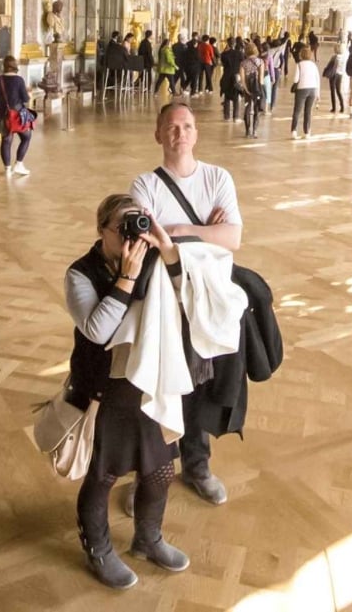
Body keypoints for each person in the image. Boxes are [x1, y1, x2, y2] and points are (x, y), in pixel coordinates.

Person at [65, 194, 190, 590]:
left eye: (137, 223)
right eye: (122, 226)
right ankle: (99, 551)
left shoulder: (152, 257)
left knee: (160, 473)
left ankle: (148, 539)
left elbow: (188, 293)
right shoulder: (79, 274)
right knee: (103, 477)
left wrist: (164, 246)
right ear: (102, 229)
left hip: (146, 387)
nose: (131, 234)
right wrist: (126, 280)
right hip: (104, 393)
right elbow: (98, 331)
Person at [129, 103, 242, 505]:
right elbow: (146, 243)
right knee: (161, 381)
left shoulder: (217, 178)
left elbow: (233, 239)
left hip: (207, 300)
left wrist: (177, 230)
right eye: (172, 127)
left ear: (197, 134)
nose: (180, 133)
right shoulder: (145, 185)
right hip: (162, 300)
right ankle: (152, 474)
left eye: (187, 126)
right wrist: (206, 232)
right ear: (158, 134)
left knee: (199, 384)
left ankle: (198, 465)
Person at [0, 55, 32, 177]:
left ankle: (7, 169)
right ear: (15, 66)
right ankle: (19, 164)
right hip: (18, 115)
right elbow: (25, 99)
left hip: (2, 113)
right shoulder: (19, 80)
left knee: (6, 141)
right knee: (26, 137)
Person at [291, 46, 320, 140]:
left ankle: (294, 131)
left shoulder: (299, 64)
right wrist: (318, 94)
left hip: (302, 89)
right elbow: (317, 79)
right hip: (313, 89)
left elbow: (296, 79)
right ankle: (307, 132)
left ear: (301, 55)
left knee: (297, 111)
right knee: (308, 111)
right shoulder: (314, 65)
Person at [238, 42, 267, 138]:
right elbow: (261, 79)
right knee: (256, 109)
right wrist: (261, 90)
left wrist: (246, 90)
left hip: (248, 88)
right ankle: (254, 131)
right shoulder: (260, 62)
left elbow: (242, 79)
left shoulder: (243, 63)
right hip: (257, 88)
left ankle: (247, 131)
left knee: (247, 108)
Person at [219, 37, 243, 122]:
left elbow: (222, 64)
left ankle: (226, 116)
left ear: (228, 43)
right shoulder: (240, 53)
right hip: (236, 76)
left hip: (226, 75)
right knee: (236, 96)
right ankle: (235, 117)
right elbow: (241, 65)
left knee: (227, 96)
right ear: (235, 43)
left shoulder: (224, 54)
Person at [323, 45, 346, 114]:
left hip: (333, 75)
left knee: (332, 91)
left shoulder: (334, 57)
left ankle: (334, 107)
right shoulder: (343, 57)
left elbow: (329, 65)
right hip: (340, 74)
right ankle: (342, 107)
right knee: (339, 91)